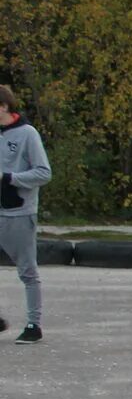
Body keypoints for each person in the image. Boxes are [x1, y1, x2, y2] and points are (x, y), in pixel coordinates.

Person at [0, 84, 52, 344]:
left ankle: (34, 325)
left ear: (4, 107)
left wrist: (9, 178)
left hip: (18, 213)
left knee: (27, 272)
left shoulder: (28, 134)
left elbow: (44, 173)